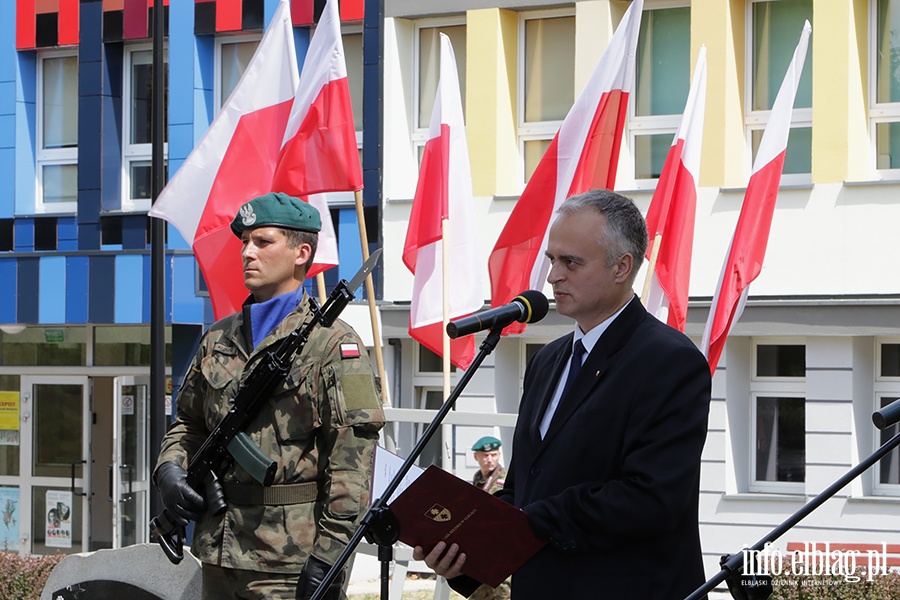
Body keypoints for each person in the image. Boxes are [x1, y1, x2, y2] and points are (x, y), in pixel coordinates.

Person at [415, 189, 711, 599]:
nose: (553, 276)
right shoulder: (548, 361)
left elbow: (650, 498)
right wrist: (467, 550)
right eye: (552, 259)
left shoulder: (669, 361)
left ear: (621, 267)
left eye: (571, 262)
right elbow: (524, 489)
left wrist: (531, 522)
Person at [154, 192, 384, 600]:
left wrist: (330, 557)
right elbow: (188, 423)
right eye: (245, 242)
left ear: (302, 253)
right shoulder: (218, 337)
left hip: (288, 562)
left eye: (263, 242)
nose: (247, 253)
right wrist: (170, 471)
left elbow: (352, 463)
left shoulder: (333, 346)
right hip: (220, 551)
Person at [469, 436, 510, 600]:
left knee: (503, 592)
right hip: (480, 546)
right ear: (476, 457)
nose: (489, 460)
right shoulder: (478, 479)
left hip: (501, 546)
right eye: (485, 456)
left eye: (493, 455)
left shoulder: (504, 480)